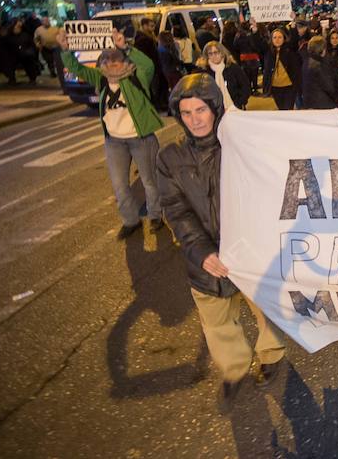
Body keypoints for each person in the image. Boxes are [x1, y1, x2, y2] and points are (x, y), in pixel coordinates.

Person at [157, 74, 287, 413]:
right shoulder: (170, 157)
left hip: (251, 252)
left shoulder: (242, 146)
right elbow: (176, 209)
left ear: (215, 109)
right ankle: (234, 369)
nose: (195, 119)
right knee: (216, 322)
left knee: (266, 310)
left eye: (201, 109)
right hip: (206, 260)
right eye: (186, 113)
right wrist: (201, 252)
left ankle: (272, 355)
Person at [56, 28, 164, 239]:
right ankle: (130, 220)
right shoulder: (101, 79)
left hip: (141, 138)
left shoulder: (137, 76)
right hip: (114, 141)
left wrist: (126, 47)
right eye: (107, 60)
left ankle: (155, 215)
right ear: (101, 65)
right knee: (119, 185)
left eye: (116, 59)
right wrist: (65, 50)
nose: (112, 63)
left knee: (149, 180)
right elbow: (76, 68)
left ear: (124, 61)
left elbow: (148, 65)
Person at [196, 41, 251, 111]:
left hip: (235, 108)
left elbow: (245, 88)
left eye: (216, 52)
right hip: (213, 111)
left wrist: (237, 104)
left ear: (222, 53)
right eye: (210, 54)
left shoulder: (233, 68)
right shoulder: (203, 72)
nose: (213, 56)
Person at [263, 26, 301, 110]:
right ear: (271, 39)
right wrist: (255, 30)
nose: (277, 39)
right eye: (275, 37)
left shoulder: (290, 50)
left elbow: (295, 40)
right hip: (275, 87)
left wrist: (294, 27)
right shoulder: (268, 52)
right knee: (281, 108)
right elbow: (256, 44)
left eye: (280, 37)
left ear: (284, 38)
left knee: (288, 108)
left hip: (289, 87)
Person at [301, 36, 338, 110]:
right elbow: (329, 86)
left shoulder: (307, 61)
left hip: (309, 102)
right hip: (323, 103)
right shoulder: (320, 65)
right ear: (322, 49)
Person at [234, 19, 266, 94]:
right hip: (253, 56)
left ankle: (249, 89)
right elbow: (254, 44)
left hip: (243, 56)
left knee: (246, 75)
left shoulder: (238, 34)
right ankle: (254, 89)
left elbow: (235, 45)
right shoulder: (250, 34)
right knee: (254, 74)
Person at [5, 18, 40, 85]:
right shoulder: (9, 37)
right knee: (9, 66)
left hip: (25, 54)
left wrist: (30, 51)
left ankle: (32, 79)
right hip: (13, 55)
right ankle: (12, 79)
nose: (17, 28)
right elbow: (6, 46)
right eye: (16, 27)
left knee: (29, 65)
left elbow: (31, 44)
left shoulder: (25, 35)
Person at [156, 31, 185, 97]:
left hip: (165, 74)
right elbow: (177, 60)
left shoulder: (160, 50)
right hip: (174, 73)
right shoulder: (173, 48)